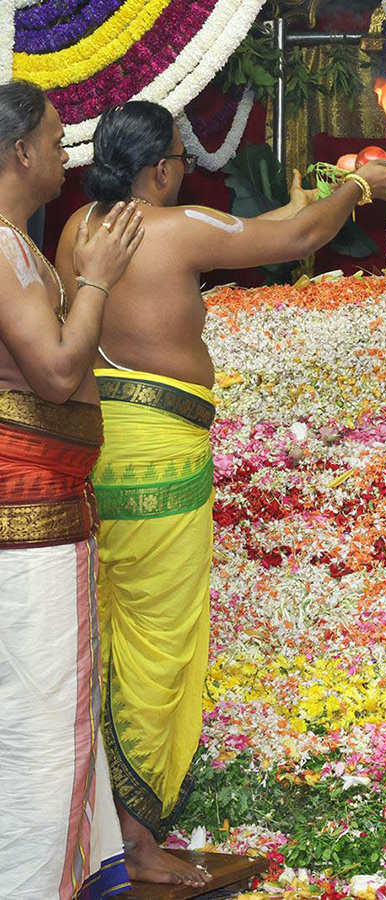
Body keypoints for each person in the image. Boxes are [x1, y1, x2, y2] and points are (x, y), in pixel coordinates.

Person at [54, 100, 386, 886]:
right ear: (160, 167)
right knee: (155, 643)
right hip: (160, 461)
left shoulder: (83, 230)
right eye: (179, 156)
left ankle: (99, 827)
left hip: (102, 448)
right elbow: (296, 237)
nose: (185, 168)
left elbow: (277, 221)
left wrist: (333, 185)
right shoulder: (168, 229)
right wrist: (363, 188)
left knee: (113, 631)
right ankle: (137, 843)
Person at [0, 81, 145, 899]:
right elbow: (56, 373)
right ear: (20, 151)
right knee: (42, 718)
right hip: (27, 522)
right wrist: (94, 278)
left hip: (45, 512)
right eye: (58, 141)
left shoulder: (16, 243)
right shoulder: (2, 246)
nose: (68, 156)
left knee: (52, 704)